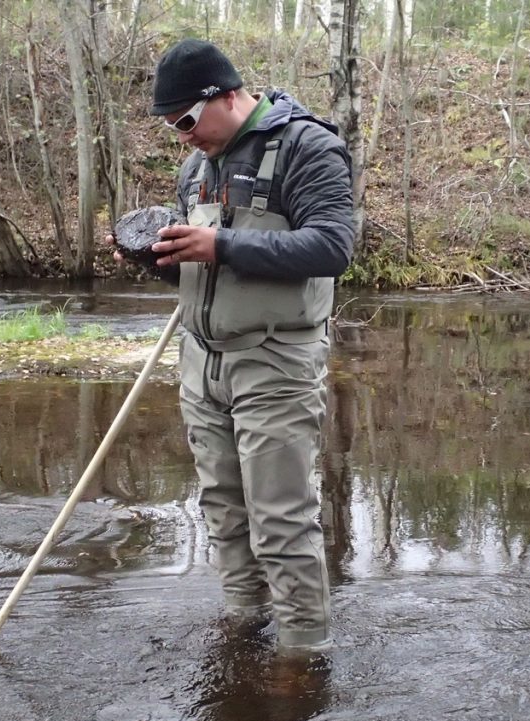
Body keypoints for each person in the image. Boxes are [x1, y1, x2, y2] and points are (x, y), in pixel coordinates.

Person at [131, 39, 354, 651]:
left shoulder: (309, 147)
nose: (181, 137)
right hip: (202, 360)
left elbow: (332, 248)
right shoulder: (196, 168)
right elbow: (195, 268)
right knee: (224, 513)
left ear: (227, 96)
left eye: (185, 121)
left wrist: (221, 246)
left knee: (280, 521)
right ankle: (241, 632)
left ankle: (302, 659)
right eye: (170, 125)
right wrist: (158, 259)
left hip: (276, 360)